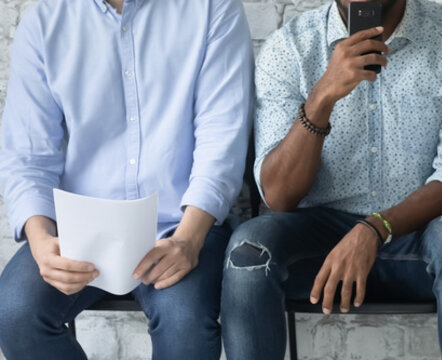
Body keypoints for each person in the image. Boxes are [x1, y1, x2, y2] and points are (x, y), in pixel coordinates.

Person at [219, 0, 442, 358]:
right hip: (320, 245)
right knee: (248, 250)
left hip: (421, 236)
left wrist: (375, 228)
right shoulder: (289, 48)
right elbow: (278, 196)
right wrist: (322, 98)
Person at [0, 0, 253, 358]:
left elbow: (222, 137)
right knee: (13, 313)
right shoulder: (44, 21)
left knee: (185, 324)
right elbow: (27, 155)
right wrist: (40, 240)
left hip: (182, 224)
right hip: (80, 229)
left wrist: (189, 239)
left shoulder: (213, 8)